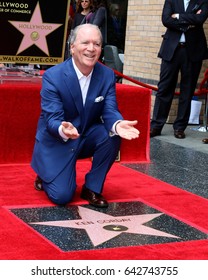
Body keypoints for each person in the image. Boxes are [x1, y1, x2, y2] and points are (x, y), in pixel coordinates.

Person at [31, 24, 139, 208]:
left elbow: (110, 109)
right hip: (59, 139)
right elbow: (51, 119)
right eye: (85, 43)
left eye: (96, 44)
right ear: (72, 47)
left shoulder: (106, 75)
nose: (91, 49)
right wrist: (63, 129)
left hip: (86, 135)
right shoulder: (53, 76)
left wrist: (117, 124)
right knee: (62, 196)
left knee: (112, 134)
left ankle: (92, 188)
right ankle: (45, 171)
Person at [150, 0, 208, 139]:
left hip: (192, 51)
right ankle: (156, 125)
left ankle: (180, 127)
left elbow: (200, 19)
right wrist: (189, 20)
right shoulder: (171, 0)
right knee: (164, 88)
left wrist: (178, 16)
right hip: (171, 50)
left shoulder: (203, 1)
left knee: (187, 91)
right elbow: (166, 20)